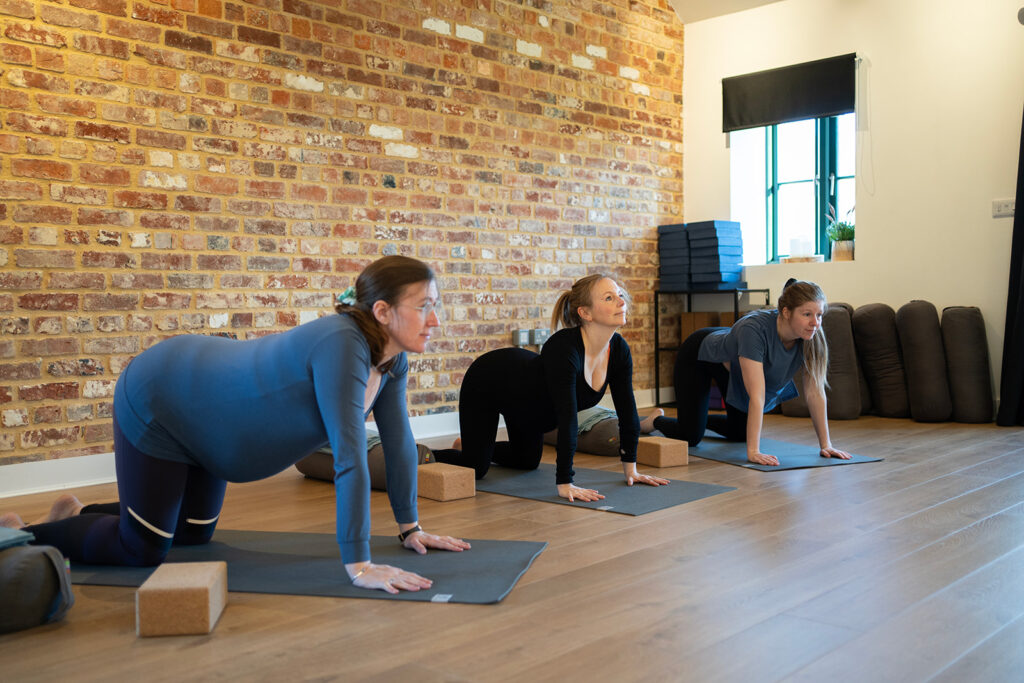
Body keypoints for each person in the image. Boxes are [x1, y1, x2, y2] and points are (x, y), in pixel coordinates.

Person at [3, 256, 470, 594]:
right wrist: (360, 565)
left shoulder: (391, 359)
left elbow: (399, 440)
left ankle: (78, 513)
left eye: (437, 305)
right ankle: (26, 534)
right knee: (142, 548)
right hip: (165, 397)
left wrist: (410, 528)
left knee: (192, 534)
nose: (435, 319)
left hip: (213, 429)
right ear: (383, 312)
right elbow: (349, 460)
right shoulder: (341, 344)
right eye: (424, 305)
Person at [433, 274, 669, 502]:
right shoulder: (564, 349)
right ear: (585, 313)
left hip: (529, 408)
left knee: (527, 461)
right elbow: (568, 419)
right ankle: (422, 453)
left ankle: (472, 444)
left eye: (619, 294)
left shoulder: (618, 350)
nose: (621, 301)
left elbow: (627, 411)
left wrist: (631, 470)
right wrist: (565, 483)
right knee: (475, 467)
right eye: (609, 298)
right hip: (490, 381)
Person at [654, 278, 851, 466]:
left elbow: (815, 392)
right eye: (807, 314)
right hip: (700, 354)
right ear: (786, 312)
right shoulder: (754, 330)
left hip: (734, 363)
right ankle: (655, 420)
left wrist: (826, 445)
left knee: (741, 432)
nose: (815, 322)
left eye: (819, 314)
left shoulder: (812, 336)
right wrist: (754, 452)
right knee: (690, 436)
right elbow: (757, 395)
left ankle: (698, 419)